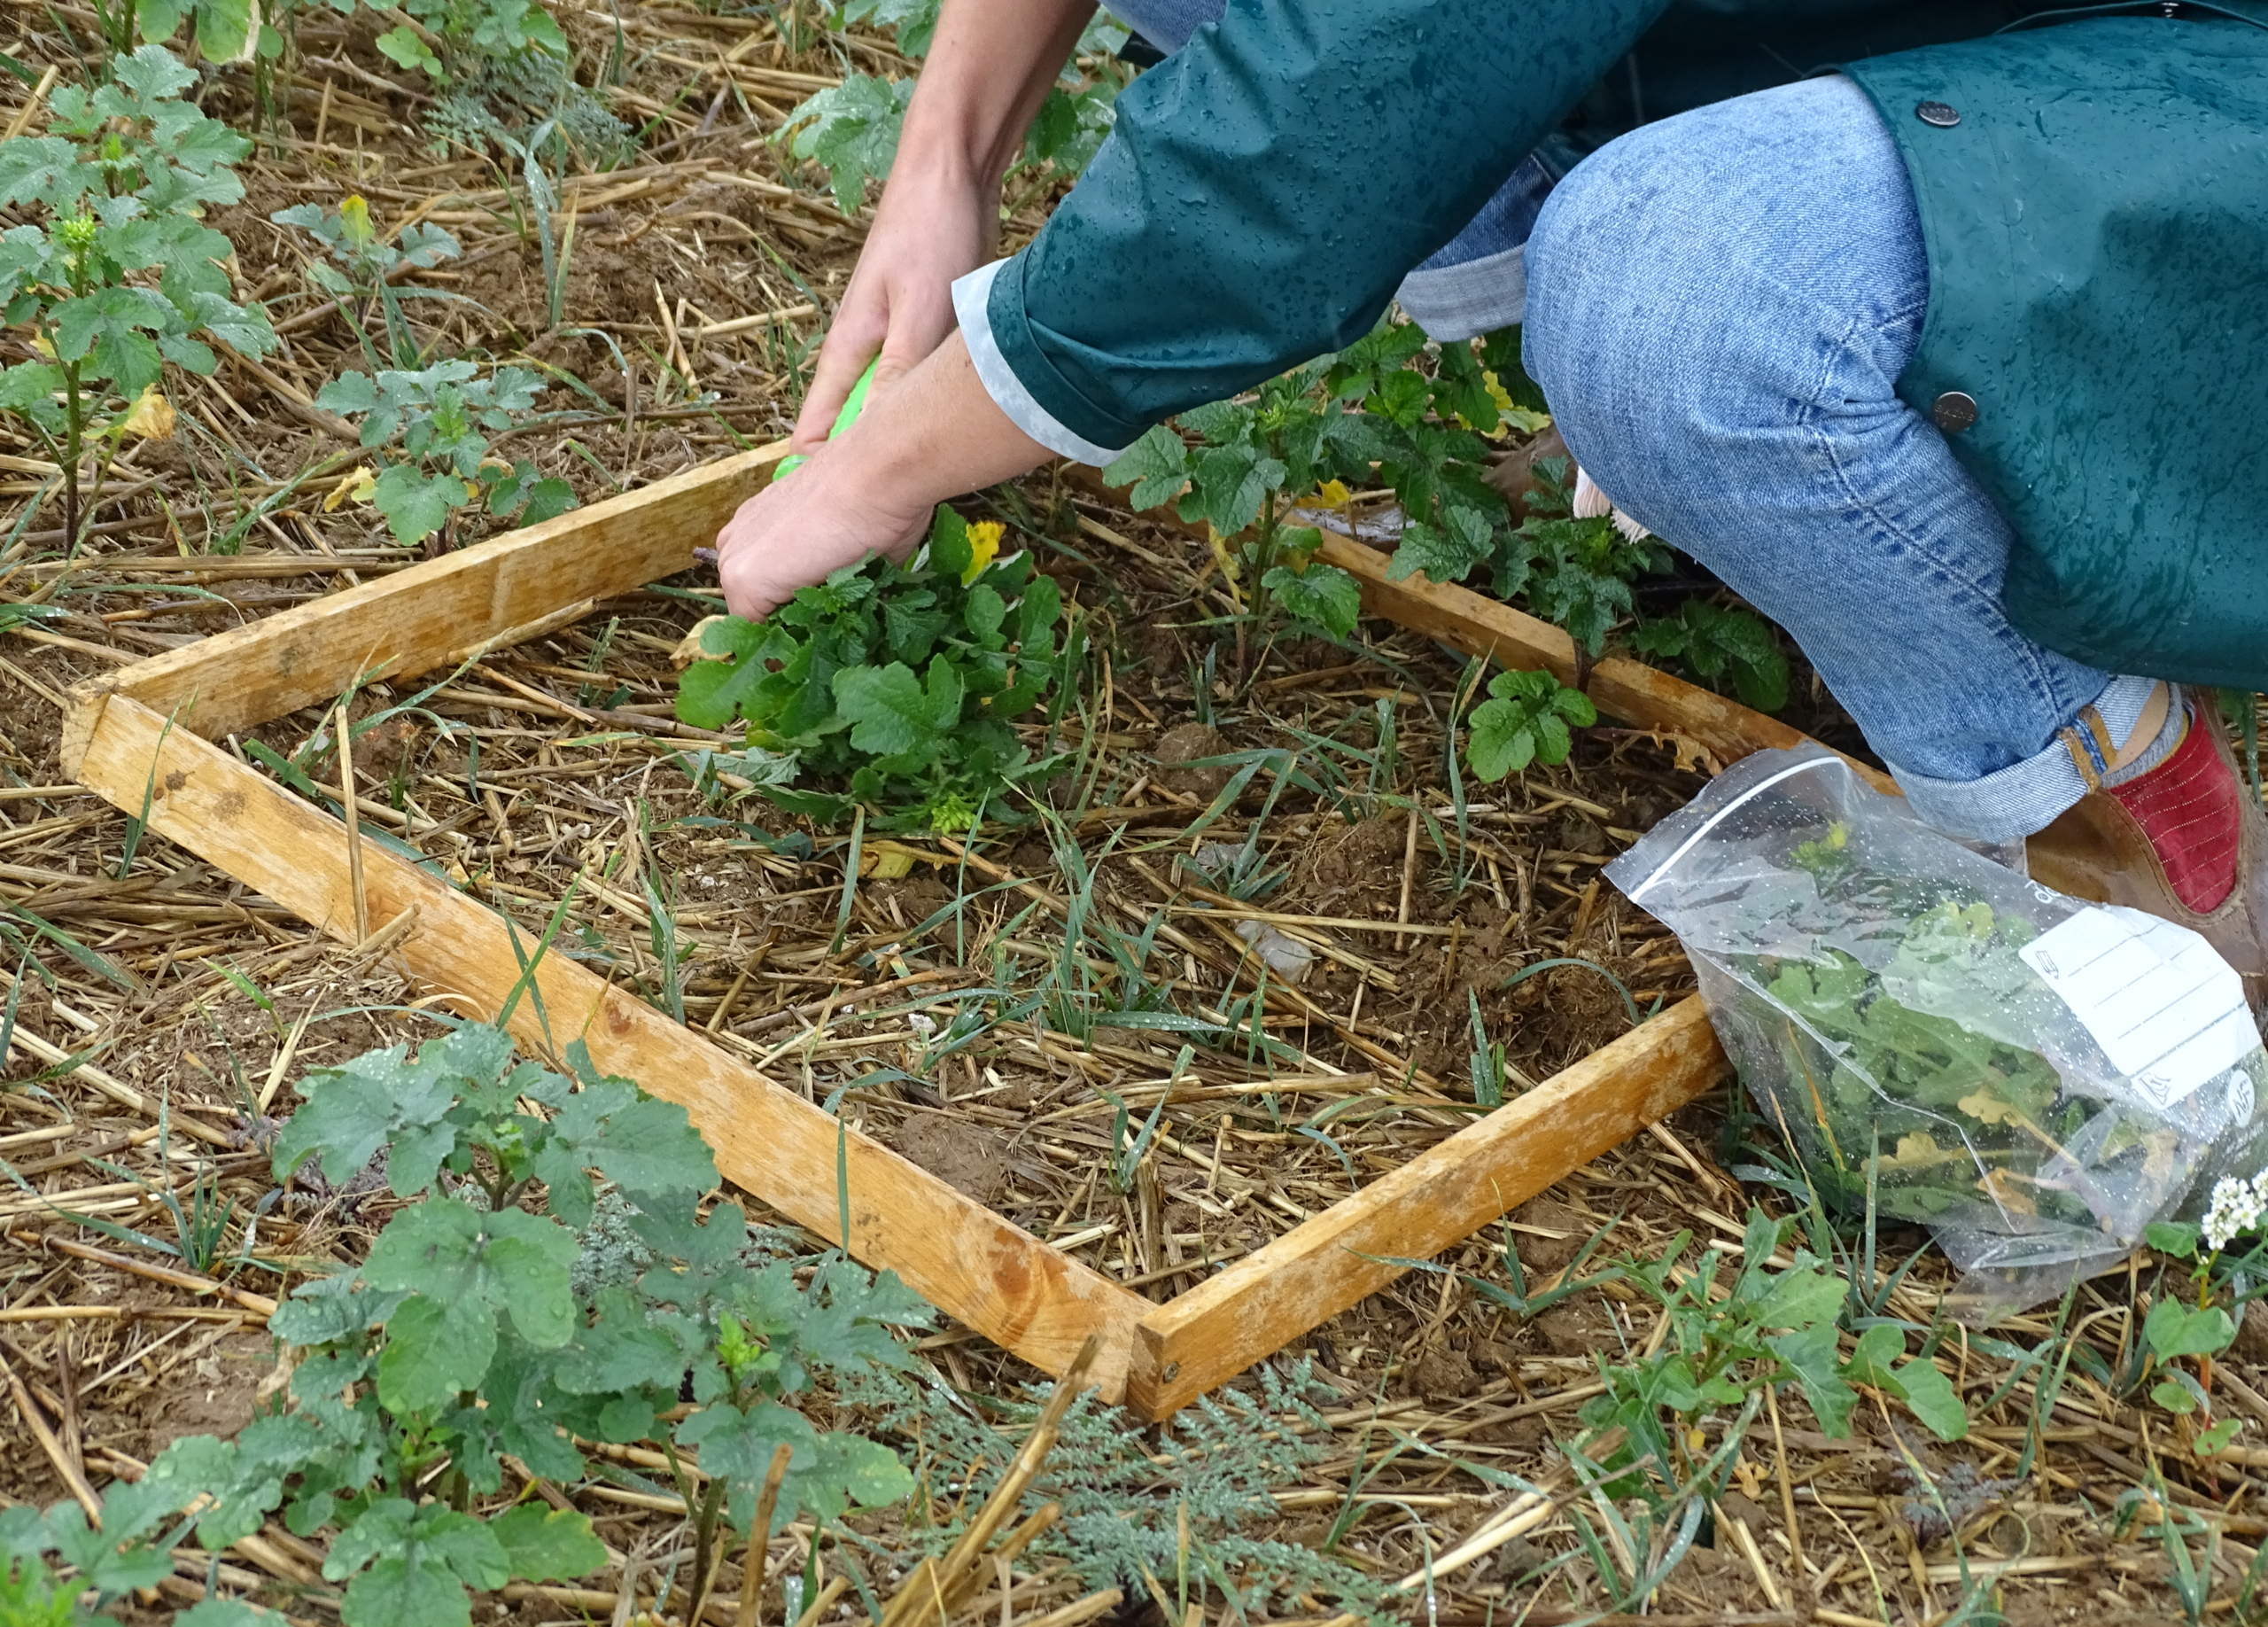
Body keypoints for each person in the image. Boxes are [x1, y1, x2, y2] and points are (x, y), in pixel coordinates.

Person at [711, 1, 2268, 973]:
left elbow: (1327, 114)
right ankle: (1679, 423)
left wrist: (882, 470)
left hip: (2193, 83)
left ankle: (2126, 797)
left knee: (1677, 288)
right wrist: (946, 158)